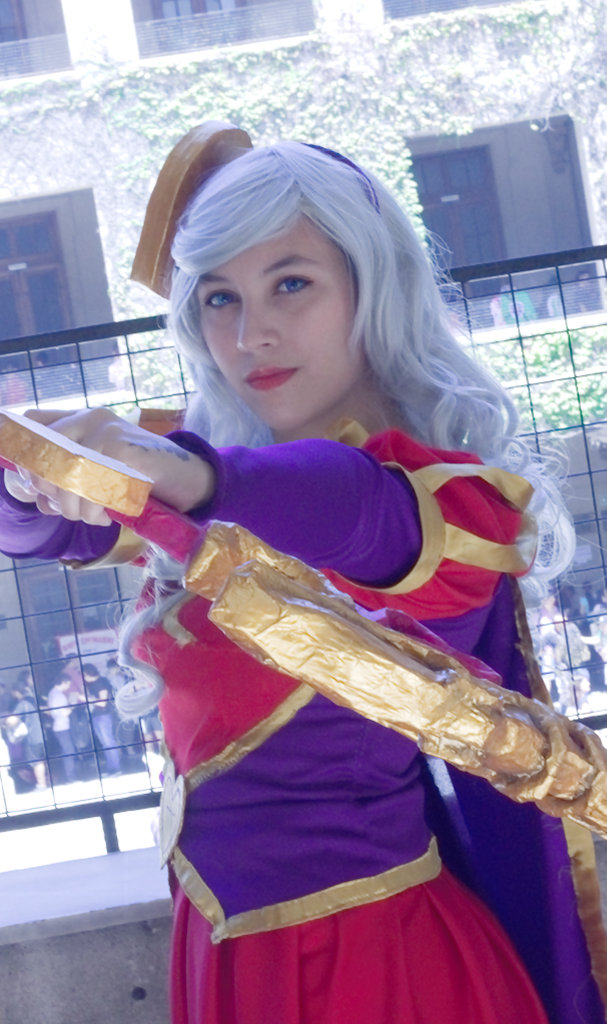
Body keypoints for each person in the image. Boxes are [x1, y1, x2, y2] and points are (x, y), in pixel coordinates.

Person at [0, 124, 604, 1024]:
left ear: (372, 285)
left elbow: (348, 507)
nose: (252, 334)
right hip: (227, 957)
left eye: (291, 283)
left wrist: (192, 476)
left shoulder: (442, 500)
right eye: (219, 297)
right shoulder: (218, 474)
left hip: (376, 967)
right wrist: (30, 466)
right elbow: (35, 531)